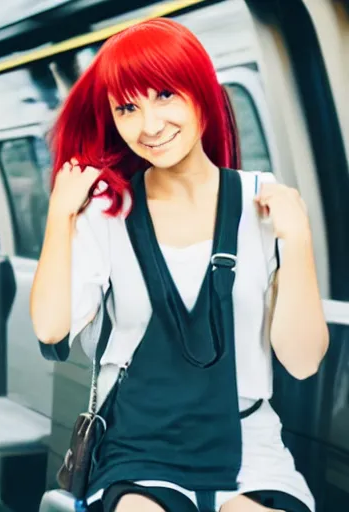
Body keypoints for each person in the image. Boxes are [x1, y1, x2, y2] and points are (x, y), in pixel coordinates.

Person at [30, 18, 328, 512]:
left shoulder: (264, 201)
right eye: (128, 107)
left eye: (165, 95)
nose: (149, 126)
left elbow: (302, 361)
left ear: (201, 93)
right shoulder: (107, 211)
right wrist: (60, 217)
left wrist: (298, 241)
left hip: (249, 442)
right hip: (139, 445)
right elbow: (50, 328)